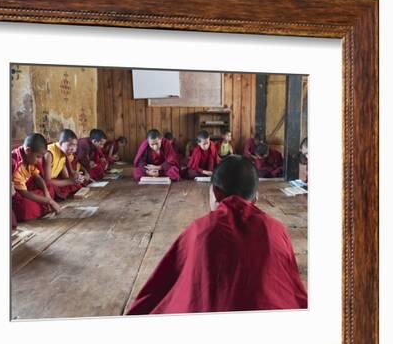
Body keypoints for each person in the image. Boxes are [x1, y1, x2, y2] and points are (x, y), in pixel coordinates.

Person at [126, 155, 307, 315]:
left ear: (215, 193)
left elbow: (161, 288)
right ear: (256, 199)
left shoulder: (199, 230)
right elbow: (292, 287)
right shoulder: (277, 230)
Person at [11, 133, 61, 221]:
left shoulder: (29, 158)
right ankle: (43, 205)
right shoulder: (15, 163)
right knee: (26, 206)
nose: (39, 161)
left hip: (28, 189)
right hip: (18, 194)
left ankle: (43, 203)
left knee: (50, 188)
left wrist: (47, 194)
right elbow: (23, 193)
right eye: (38, 157)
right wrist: (49, 201)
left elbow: (38, 177)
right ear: (28, 151)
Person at [42, 129, 85, 200]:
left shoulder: (65, 153)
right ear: (61, 143)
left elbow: (69, 173)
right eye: (71, 145)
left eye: (75, 145)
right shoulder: (49, 153)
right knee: (50, 190)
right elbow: (47, 181)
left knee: (75, 185)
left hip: (55, 179)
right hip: (45, 182)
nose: (74, 149)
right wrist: (70, 181)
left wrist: (77, 176)